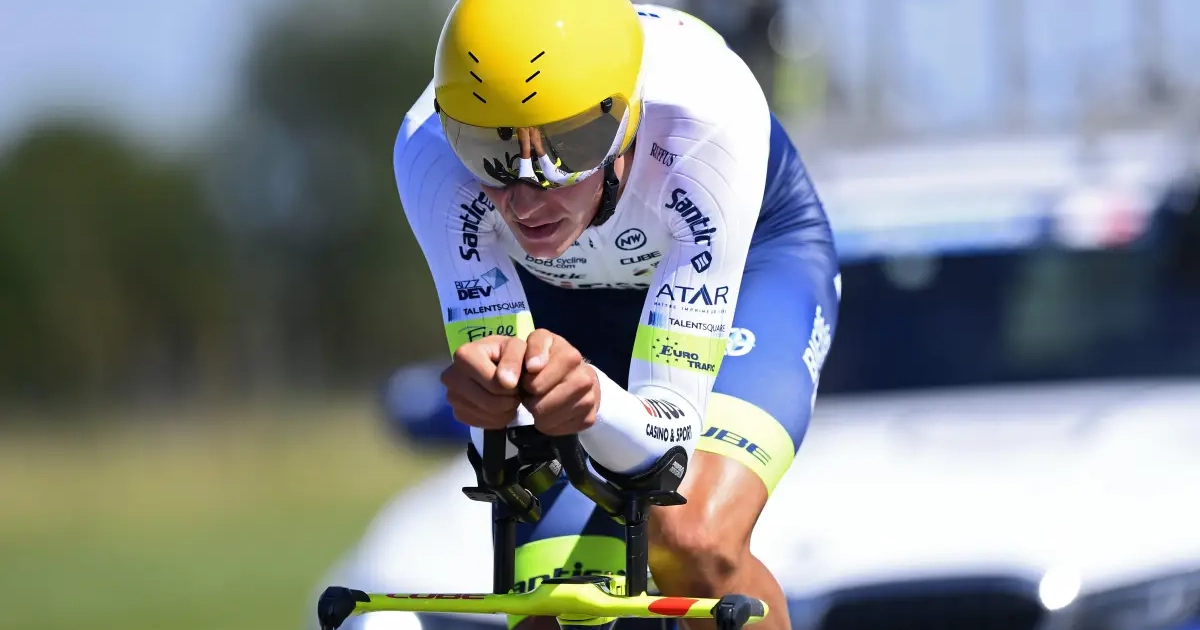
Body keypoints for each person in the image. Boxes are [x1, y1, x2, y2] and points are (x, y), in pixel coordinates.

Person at [392, 3, 841, 630]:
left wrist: (593, 399)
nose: (526, 200)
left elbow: (667, 450)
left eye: (569, 147)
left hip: (751, 268)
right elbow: (511, 458)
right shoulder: (428, 151)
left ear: (628, 119)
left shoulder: (704, 115)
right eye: (487, 149)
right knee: (553, 603)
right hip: (563, 298)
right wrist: (494, 406)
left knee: (692, 538)